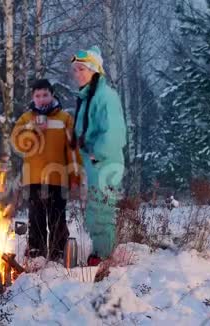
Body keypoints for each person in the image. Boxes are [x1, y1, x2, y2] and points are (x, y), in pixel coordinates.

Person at [11, 79, 82, 260]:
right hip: (33, 178)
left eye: (45, 95)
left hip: (58, 178)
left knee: (57, 217)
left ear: (52, 95)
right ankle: (36, 253)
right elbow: (18, 145)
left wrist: (75, 176)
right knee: (36, 217)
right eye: (37, 96)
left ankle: (58, 252)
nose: (41, 99)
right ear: (33, 98)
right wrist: (35, 131)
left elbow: (72, 149)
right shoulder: (26, 119)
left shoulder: (64, 119)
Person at [70, 46, 126, 265]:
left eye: (82, 69)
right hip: (95, 163)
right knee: (96, 210)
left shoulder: (105, 97)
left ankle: (103, 257)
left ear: (95, 70)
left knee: (101, 210)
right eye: (75, 70)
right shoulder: (89, 97)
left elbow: (114, 133)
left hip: (105, 162)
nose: (77, 74)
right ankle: (101, 253)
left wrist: (97, 154)